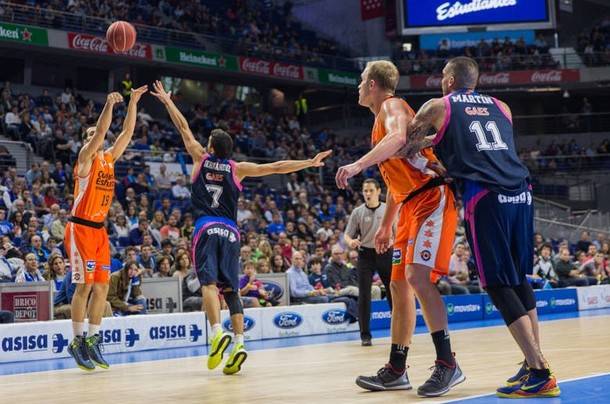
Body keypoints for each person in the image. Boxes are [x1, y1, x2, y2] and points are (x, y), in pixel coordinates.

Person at [398, 56, 560, 398]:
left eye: (442, 76)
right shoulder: (502, 106)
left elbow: (406, 146)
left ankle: (540, 370)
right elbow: (484, 144)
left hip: (486, 196)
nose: (441, 81)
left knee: (498, 285)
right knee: (517, 279)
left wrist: (427, 152)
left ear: (450, 80)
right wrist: (440, 143)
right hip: (522, 193)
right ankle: (531, 362)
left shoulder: (436, 105)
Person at [151, 80, 331, 376]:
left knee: (209, 285)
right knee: (231, 290)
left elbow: (183, 128)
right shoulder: (238, 168)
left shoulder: (200, 157)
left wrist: (168, 102)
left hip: (206, 227)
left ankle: (215, 334)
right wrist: (309, 162)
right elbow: (276, 167)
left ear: (210, 147)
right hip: (232, 231)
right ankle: (239, 342)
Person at [336, 60, 462, 397]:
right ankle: (396, 368)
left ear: (374, 85)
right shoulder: (379, 122)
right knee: (398, 287)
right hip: (408, 206)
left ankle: (448, 363)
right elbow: (396, 181)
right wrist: (386, 225)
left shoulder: (391, 107)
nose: (358, 87)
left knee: (418, 278)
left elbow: (399, 136)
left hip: (430, 199)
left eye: (362, 81)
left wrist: (359, 163)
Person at [64, 85, 148, 371]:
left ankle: (93, 338)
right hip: (79, 228)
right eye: (88, 136)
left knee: (102, 286)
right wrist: (110, 105)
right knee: (84, 286)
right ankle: (76, 340)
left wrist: (133, 101)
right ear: (84, 142)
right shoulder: (84, 161)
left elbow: (126, 133)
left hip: (99, 230)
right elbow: (100, 132)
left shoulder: (109, 160)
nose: (94, 138)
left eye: (95, 136)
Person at [344, 178, 393, 346]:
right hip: (365, 255)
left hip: (386, 253)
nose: (368, 194)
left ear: (379, 191)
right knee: (364, 295)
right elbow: (347, 235)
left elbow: (399, 233)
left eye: (371, 190)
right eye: (365, 191)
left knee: (393, 293)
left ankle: (399, 332)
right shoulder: (358, 212)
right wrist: (350, 242)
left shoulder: (389, 209)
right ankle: (365, 335)